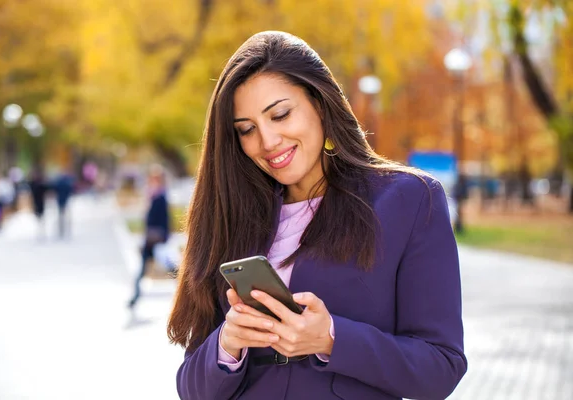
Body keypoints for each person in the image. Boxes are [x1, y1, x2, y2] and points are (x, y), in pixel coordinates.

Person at [167, 31, 467, 400]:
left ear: (320, 103)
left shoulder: (408, 200)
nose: (268, 141)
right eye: (246, 129)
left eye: (280, 114)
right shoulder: (234, 217)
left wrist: (330, 339)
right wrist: (227, 345)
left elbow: (441, 366)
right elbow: (191, 389)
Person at [128, 164, 170, 309]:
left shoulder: (161, 196)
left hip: (155, 238)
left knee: (168, 268)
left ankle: (135, 296)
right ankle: (135, 296)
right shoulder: (152, 194)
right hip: (151, 238)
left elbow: (164, 219)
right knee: (145, 268)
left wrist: (164, 235)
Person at [27, 167, 48, 239]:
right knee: (37, 217)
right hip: (35, 203)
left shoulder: (41, 184)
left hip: (41, 203)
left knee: (41, 217)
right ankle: (39, 231)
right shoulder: (32, 183)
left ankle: (41, 231)